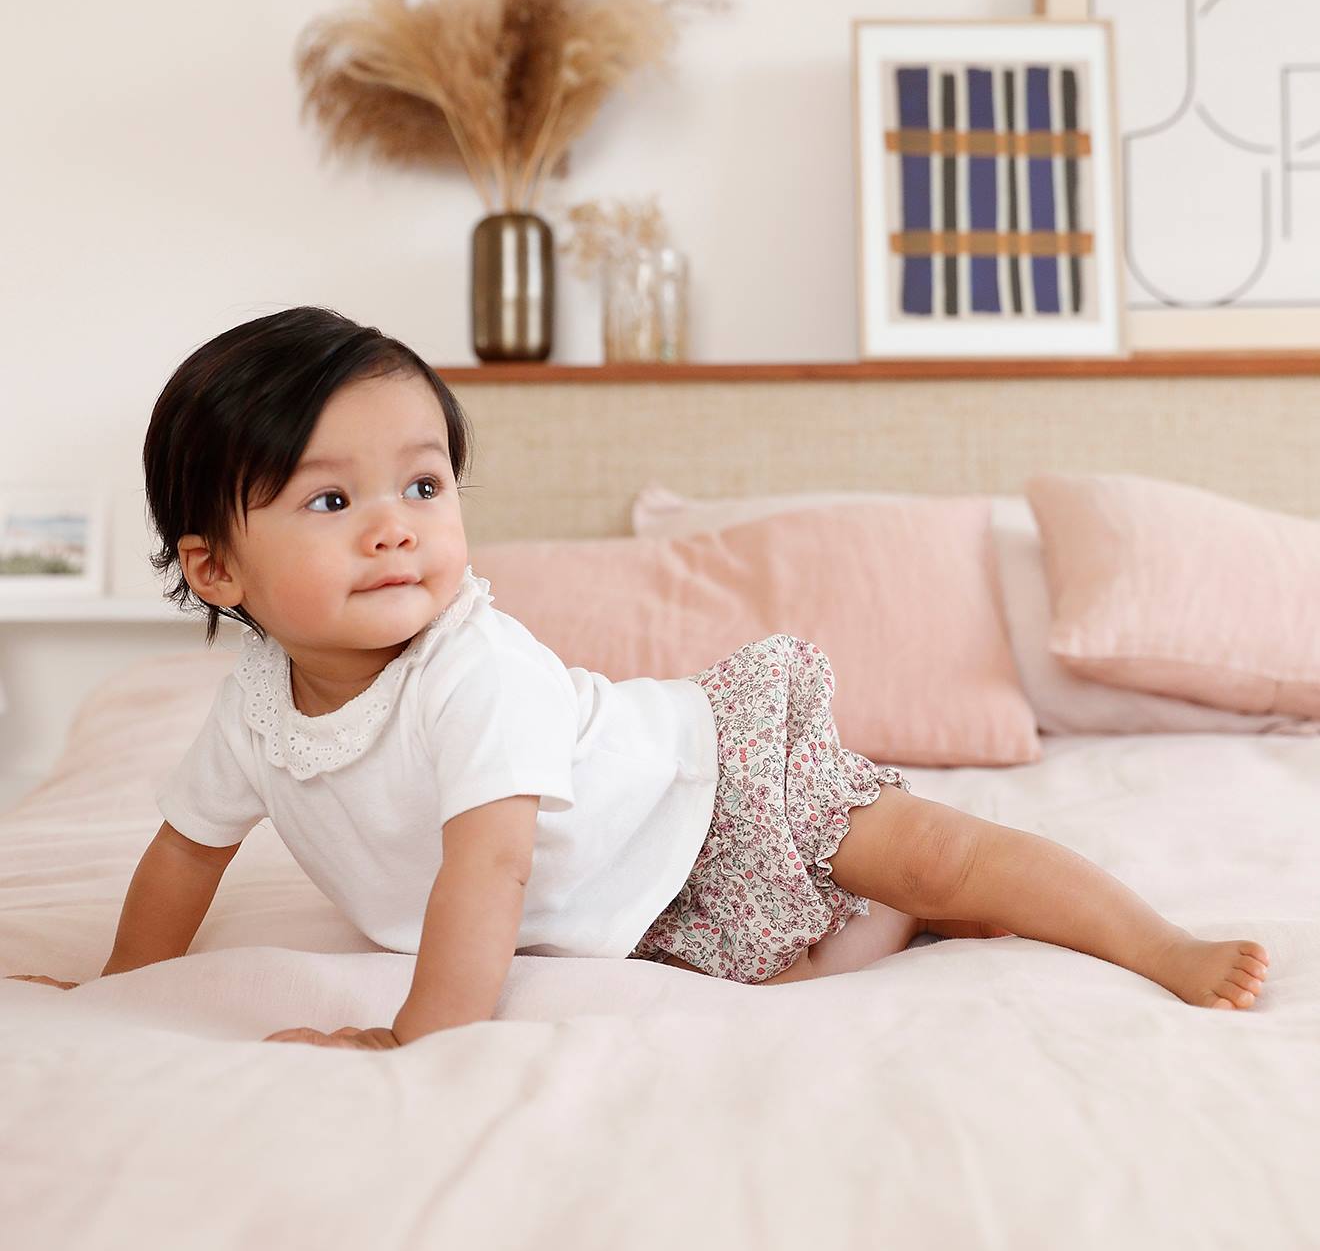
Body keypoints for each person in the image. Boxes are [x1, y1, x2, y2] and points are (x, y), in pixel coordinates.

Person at [6, 307, 1269, 1044]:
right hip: (627, 889)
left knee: (937, 849)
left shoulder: (472, 670)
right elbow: (185, 849)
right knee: (809, 965)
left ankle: (1159, 941)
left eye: (424, 485)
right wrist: (130, 988)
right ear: (216, 569)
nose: (396, 524)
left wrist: (420, 1036)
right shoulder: (251, 709)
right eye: (333, 498)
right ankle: (897, 913)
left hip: (710, 781)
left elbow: (487, 861)